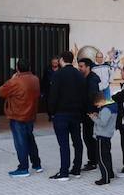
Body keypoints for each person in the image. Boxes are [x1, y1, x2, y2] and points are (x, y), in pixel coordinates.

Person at [0, 59, 42, 178]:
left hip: (18, 115)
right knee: (30, 139)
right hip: (31, 114)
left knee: (20, 142)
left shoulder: (16, 81)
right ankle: (37, 164)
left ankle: (23, 168)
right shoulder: (35, 79)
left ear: (17, 68)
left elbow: (1, 91)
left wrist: (12, 78)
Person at [48, 51, 85, 181]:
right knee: (77, 142)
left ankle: (64, 172)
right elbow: (83, 95)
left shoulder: (58, 74)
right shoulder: (79, 74)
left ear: (62, 60)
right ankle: (76, 170)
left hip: (61, 114)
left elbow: (53, 95)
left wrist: (52, 112)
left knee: (64, 144)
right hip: (76, 113)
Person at [77, 57, 101, 171]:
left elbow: (96, 97)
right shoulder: (83, 78)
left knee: (90, 137)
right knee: (87, 137)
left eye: (81, 66)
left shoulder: (93, 80)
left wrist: (95, 113)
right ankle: (93, 160)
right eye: (79, 66)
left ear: (88, 67)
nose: (79, 68)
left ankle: (94, 161)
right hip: (85, 113)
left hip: (91, 113)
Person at [89, 92, 117, 185]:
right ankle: (110, 173)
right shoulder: (110, 107)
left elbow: (102, 123)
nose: (97, 107)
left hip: (102, 135)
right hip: (107, 135)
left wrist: (93, 118)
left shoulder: (105, 109)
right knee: (107, 156)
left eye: (97, 104)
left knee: (101, 158)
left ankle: (105, 178)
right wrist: (98, 115)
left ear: (101, 101)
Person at [41, 56, 60, 120]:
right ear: (51, 63)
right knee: (49, 102)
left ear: (58, 63)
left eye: (56, 62)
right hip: (49, 89)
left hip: (58, 89)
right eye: (53, 62)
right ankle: (50, 115)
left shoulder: (61, 70)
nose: (54, 64)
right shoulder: (47, 69)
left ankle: (56, 114)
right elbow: (44, 80)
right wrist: (42, 90)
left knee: (57, 102)